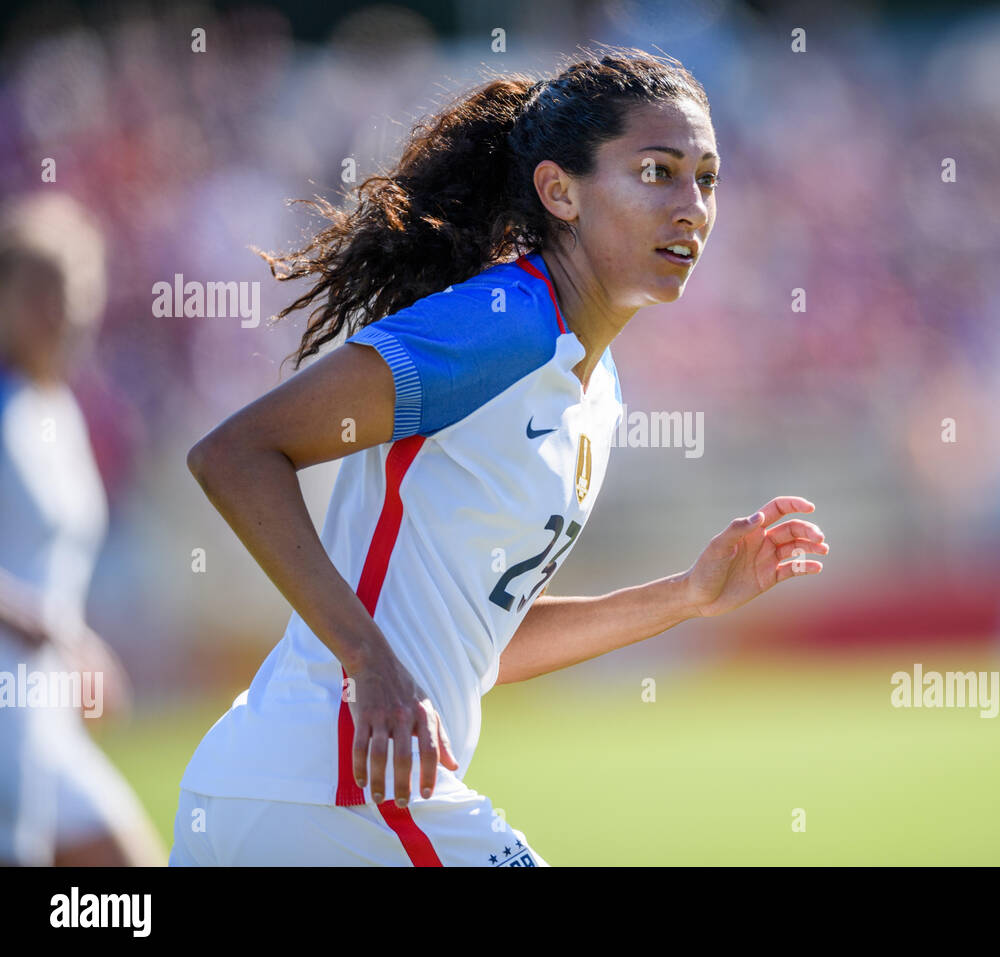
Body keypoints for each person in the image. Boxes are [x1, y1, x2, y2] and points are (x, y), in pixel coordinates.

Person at [170, 47, 829, 867]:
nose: (692, 205)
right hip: (341, 794)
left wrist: (686, 596)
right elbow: (234, 453)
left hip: (295, 797)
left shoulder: (598, 386)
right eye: (657, 172)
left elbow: (484, 644)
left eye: (707, 177)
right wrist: (365, 657)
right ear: (560, 192)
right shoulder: (507, 322)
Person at [0, 193, 167, 866]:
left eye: (71, 292)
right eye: (41, 293)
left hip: (43, 711)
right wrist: (42, 624)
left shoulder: (57, 408)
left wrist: (74, 642)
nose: (61, 313)